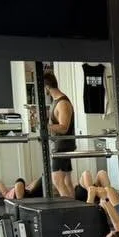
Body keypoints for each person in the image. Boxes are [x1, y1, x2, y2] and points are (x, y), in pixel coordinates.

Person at [43, 70, 78, 198]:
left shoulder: (62, 103)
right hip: (60, 145)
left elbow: (64, 128)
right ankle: (75, 210)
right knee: (67, 181)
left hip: (62, 146)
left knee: (57, 180)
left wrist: (46, 126)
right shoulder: (55, 101)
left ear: (47, 87)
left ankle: (69, 210)